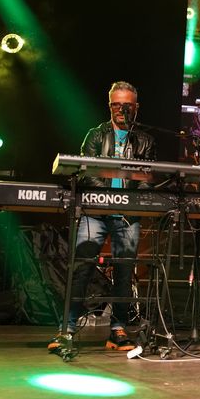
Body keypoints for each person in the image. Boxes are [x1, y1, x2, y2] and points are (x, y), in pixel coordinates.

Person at [48, 81, 156, 352]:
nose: (121, 110)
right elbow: (88, 173)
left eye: (126, 106)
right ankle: (67, 329)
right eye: (116, 105)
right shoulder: (95, 135)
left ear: (136, 107)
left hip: (128, 216)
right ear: (109, 106)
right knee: (81, 268)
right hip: (94, 213)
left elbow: (147, 179)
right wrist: (110, 198)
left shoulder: (145, 140)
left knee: (124, 273)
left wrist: (131, 203)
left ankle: (118, 329)